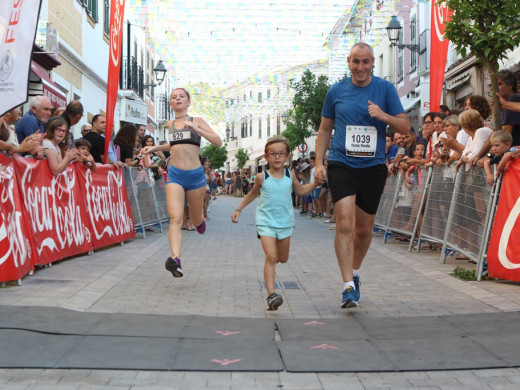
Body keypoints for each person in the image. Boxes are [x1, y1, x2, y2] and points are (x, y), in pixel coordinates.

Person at [314, 42, 410, 308]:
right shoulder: (336, 91)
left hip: (372, 167)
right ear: (349, 62)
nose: (360, 67)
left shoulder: (385, 89)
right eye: (356, 62)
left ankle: (355, 274)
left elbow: (405, 126)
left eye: (365, 62)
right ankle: (346, 286)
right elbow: (324, 130)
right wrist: (319, 163)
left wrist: (383, 115)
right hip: (341, 164)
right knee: (345, 223)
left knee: (364, 229)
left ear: (372, 64)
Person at [231, 136, 322, 310]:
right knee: (271, 257)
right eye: (273, 154)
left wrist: (315, 183)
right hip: (265, 222)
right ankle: (271, 295)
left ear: (287, 156)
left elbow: (301, 190)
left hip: (286, 223)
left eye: (281, 154)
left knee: (283, 258)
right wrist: (238, 209)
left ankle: (272, 272)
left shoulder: (290, 175)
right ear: (266, 157)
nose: (277, 157)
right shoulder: (261, 177)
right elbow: (252, 194)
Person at [141, 87, 222, 278]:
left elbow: (218, 141)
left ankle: (199, 220)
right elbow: (174, 145)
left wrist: (197, 129)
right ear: (171, 103)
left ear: (188, 101)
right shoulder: (169, 124)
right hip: (175, 174)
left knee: (194, 219)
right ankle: (176, 259)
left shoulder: (197, 121)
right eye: (174, 97)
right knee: (176, 218)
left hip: (195, 176)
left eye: (181, 96)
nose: (178, 99)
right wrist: (154, 148)